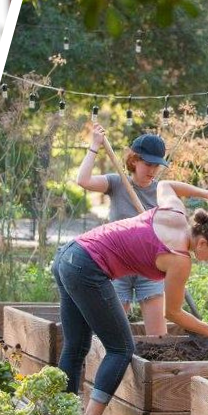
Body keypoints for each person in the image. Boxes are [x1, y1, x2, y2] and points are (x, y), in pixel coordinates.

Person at [52, 180, 208, 415]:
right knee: (121, 349)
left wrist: (206, 193)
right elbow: (173, 313)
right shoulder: (180, 260)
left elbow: (167, 185)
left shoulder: (175, 212)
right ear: (202, 243)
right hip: (87, 267)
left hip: (69, 255)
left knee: (76, 344)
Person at [77, 125, 170, 335]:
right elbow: (83, 180)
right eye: (148, 164)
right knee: (110, 335)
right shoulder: (117, 182)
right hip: (118, 266)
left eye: (157, 165)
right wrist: (94, 146)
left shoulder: (162, 191)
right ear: (134, 160)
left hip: (150, 268)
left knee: (159, 337)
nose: (153, 171)